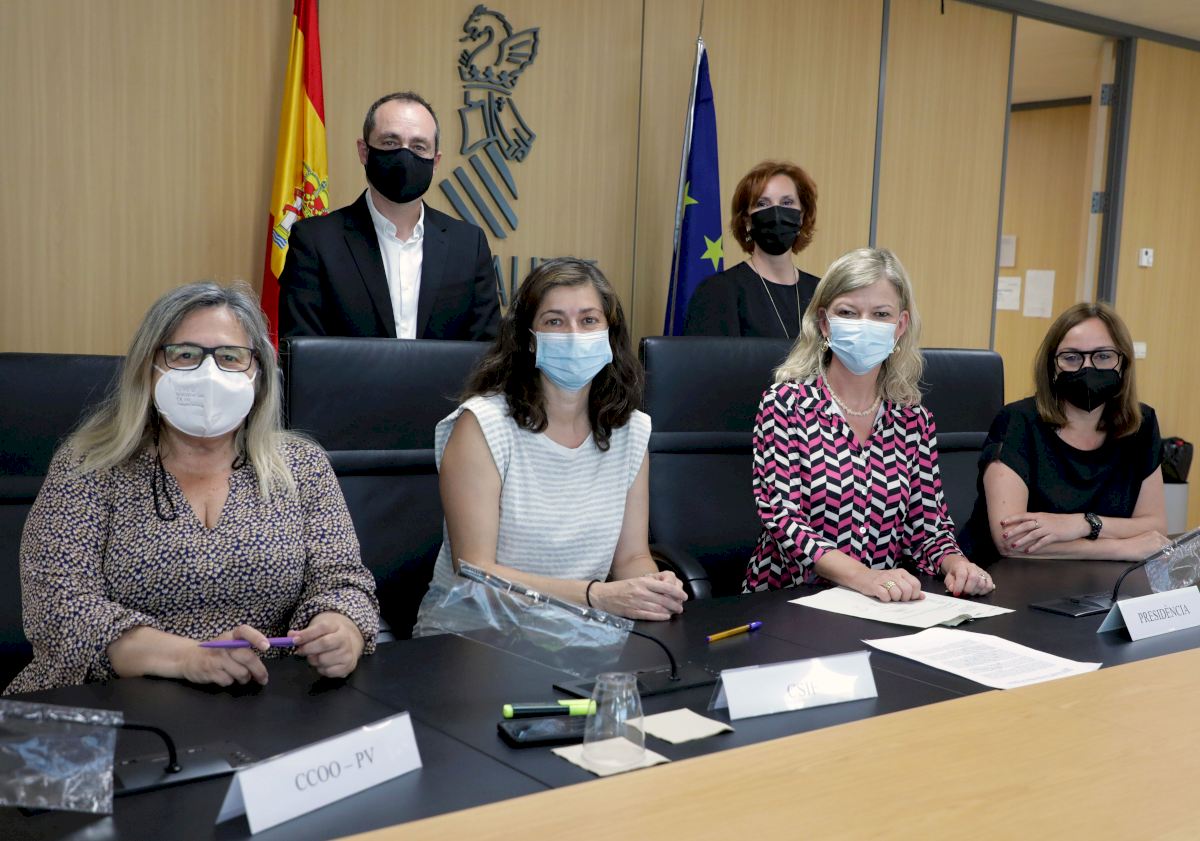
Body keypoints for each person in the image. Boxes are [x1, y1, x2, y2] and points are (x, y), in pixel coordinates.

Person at [6, 282, 378, 695]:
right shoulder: (89, 465)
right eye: (185, 355)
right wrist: (187, 658)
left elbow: (343, 582)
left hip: (264, 700)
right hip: (113, 700)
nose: (208, 375)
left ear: (258, 374)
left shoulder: (301, 466)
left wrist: (342, 628)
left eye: (230, 357)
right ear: (149, 368)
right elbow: (58, 605)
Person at [413, 258, 687, 633]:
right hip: (474, 632)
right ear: (529, 339)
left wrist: (651, 586)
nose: (573, 334)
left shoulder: (630, 429)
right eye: (555, 321)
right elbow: (477, 574)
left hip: (577, 633)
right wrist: (595, 596)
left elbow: (632, 557)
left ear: (609, 333)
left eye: (589, 320)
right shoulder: (482, 425)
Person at [745, 248, 994, 600]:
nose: (864, 325)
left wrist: (957, 564)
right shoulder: (785, 404)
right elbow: (783, 519)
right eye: (848, 312)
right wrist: (863, 577)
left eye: (880, 314)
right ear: (824, 322)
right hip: (788, 600)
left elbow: (928, 527)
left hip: (879, 602)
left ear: (900, 326)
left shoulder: (913, 420)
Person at [279, 91, 500, 340]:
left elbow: (486, 351)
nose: (404, 157)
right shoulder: (315, 241)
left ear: (435, 162)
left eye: (418, 147)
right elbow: (304, 349)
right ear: (364, 151)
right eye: (390, 143)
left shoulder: (469, 245)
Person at [960, 303, 1167, 563]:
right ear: (1052, 367)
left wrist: (1081, 524)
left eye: (1103, 356)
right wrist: (1121, 548)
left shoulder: (1141, 424)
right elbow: (1011, 542)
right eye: (1071, 358)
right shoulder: (1017, 422)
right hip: (999, 576)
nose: (1087, 368)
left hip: (1097, 579)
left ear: (1123, 363)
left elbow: (1154, 528)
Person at [683, 160, 821, 339]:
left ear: (801, 216)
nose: (776, 213)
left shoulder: (821, 293)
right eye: (763, 204)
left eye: (787, 202)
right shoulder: (717, 292)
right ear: (747, 221)